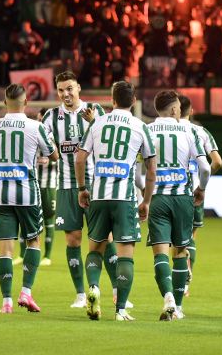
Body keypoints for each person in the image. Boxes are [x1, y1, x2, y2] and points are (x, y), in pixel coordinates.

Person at [75, 81, 156, 321]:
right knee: (125, 255)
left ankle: (93, 288)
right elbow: (151, 168)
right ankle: (120, 310)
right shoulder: (141, 126)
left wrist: (82, 189)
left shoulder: (97, 123)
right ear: (133, 101)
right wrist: (146, 201)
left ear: (112, 100)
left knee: (95, 249)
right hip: (124, 198)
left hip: (99, 195)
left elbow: (80, 160)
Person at [0, 84, 56, 314]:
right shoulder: (36, 127)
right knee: (33, 242)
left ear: (5, 102)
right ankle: (26, 292)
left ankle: (6, 302)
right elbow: (53, 155)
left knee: (5, 250)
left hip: (2, 196)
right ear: (26, 102)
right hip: (28, 195)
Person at [40, 71, 110, 307]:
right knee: (73, 240)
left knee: (104, 238)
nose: (65, 94)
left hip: (95, 184)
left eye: (69, 88)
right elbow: (40, 137)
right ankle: (81, 294)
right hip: (66, 186)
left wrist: (93, 123)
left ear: (78, 87)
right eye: (61, 90)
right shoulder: (51, 116)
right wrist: (52, 151)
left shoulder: (96, 110)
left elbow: (108, 140)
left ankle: (116, 292)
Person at [146, 90, 209, 320]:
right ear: (174, 109)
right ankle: (179, 308)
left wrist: (144, 192)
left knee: (160, 252)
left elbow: (136, 167)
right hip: (183, 198)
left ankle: (168, 298)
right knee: (181, 251)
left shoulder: (147, 130)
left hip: (158, 198)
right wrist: (201, 188)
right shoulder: (189, 131)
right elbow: (205, 168)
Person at [177, 93, 221, 297]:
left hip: (171, 189)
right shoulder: (201, 132)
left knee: (172, 240)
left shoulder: (167, 131)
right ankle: (185, 284)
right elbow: (217, 161)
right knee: (191, 236)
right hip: (195, 191)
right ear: (192, 111)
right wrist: (202, 183)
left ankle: (176, 278)